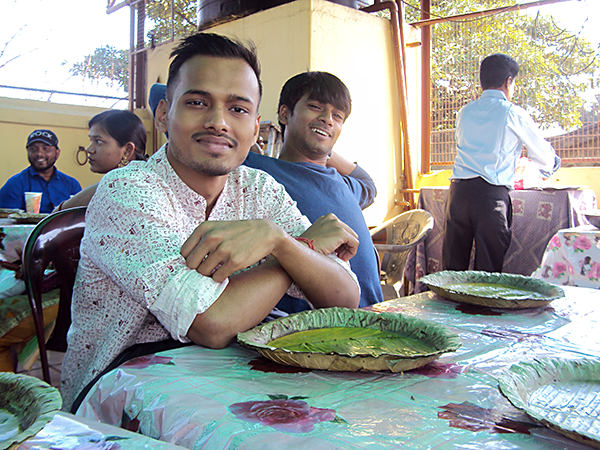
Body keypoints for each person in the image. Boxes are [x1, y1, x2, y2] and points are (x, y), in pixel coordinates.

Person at [61, 32, 360, 411]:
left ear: (255, 128)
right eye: (197, 102)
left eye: (238, 109)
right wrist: (293, 250)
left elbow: (344, 297)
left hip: (228, 381)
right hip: (118, 393)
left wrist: (281, 243)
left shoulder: (258, 189)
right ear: (164, 114)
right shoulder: (128, 190)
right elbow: (212, 323)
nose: (219, 122)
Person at [243, 71, 383, 310]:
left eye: (337, 116)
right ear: (285, 114)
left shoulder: (344, 184)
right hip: (312, 324)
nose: (328, 119)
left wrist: (326, 147)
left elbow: (368, 184)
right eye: (316, 107)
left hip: (375, 318)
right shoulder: (260, 172)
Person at [442, 53, 561, 272]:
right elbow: (543, 155)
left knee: (451, 270)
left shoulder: (464, 113)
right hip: (490, 197)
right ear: (508, 81)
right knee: (487, 271)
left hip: (458, 195)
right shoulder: (512, 113)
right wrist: (551, 164)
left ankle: (445, 295)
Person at [54, 110, 147, 211]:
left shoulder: (126, 187)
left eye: (99, 141)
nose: (89, 149)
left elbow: (56, 215)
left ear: (127, 151)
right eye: (91, 141)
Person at [0, 129, 81, 213]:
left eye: (46, 149)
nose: (39, 154)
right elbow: (5, 218)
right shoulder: (14, 184)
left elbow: (80, 216)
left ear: (57, 153)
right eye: (33, 149)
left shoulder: (72, 185)